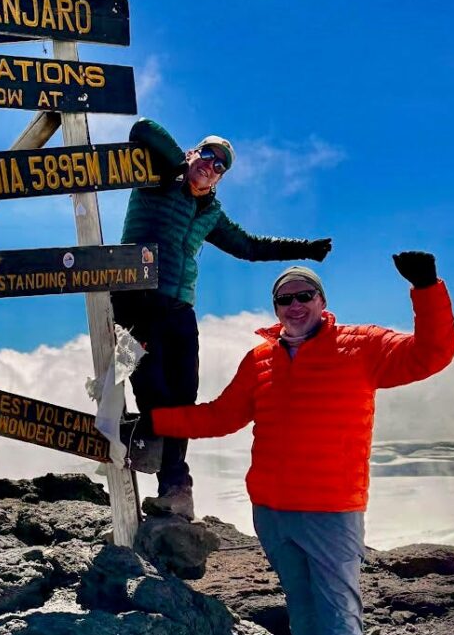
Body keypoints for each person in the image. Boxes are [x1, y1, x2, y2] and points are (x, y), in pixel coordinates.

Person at [147, 252, 454, 635]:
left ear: (322, 302)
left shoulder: (361, 346)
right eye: (283, 299)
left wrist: (427, 290)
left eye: (303, 296)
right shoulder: (260, 359)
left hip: (333, 512)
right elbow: (221, 416)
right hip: (272, 512)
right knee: (308, 625)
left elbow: (430, 354)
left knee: (340, 629)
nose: (293, 306)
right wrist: (151, 421)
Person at [113, 120, 332, 518]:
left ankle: (176, 490)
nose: (211, 167)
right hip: (135, 303)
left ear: (221, 178)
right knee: (153, 391)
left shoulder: (211, 213)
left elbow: (249, 246)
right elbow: (142, 129)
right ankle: (143, 440)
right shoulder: (159, 177)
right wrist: (180, 160)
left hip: (180, 310)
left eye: (220, 167)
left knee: (182, 400)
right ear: (193, 153)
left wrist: (305, 249)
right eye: (208, 156)